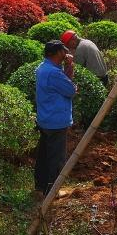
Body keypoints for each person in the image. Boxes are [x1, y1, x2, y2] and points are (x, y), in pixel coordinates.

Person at [34, 40, 76, 197]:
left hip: (45, 119)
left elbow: (63, 83)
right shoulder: (53, 73)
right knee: (56, 158)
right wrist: (70, 66)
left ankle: (40, 187)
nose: (66, 53)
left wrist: (68, 67)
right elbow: (70, 90)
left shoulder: (43, 68)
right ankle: (52, 191)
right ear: (58, 53)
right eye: (63, 50)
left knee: (44, 155)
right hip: (56, 121)